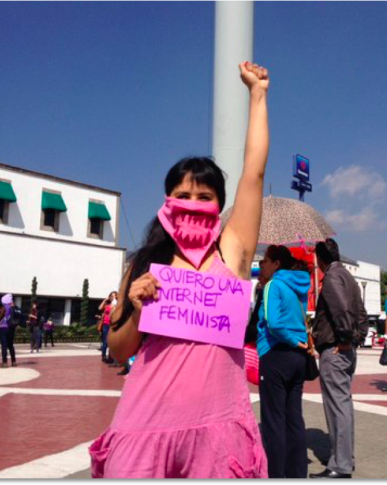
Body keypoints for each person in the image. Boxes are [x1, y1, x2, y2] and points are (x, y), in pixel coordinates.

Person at [90, 61, 271, 479]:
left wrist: (258, 95)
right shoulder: (142, 263)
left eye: (204, 196)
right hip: (144, 425)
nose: (192, 203)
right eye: (182, 194)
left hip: (218, 429)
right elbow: (119, 350)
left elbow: (254, 173)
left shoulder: (232, 252)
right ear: (167, 199)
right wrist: (135, 308)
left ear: (220, 204)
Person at [310, 239, 369, 480]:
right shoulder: (348, 277)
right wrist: (357, 337)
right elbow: (361, 313)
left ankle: (341, 466)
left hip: (335, 349)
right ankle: (343, 458)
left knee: (337, 407)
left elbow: (342, 310)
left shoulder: (332, 277)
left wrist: (345, 339)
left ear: (319, 259)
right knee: (343, 405)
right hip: (345, 349)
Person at [257, 246, 311, 479]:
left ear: (276, 264)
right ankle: (297, 473)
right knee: (294, 419)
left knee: (273, 422)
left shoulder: (274, 285)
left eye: (265, 261)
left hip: (275, 354)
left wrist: (289, 339)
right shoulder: (299, 287)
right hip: (298, 357)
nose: (263, 265)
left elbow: (274, 323)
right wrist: (297, 342)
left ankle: (276, 473)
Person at [0, 294, 17, 369]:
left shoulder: (4, 307)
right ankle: (13, 361)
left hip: (3, 327)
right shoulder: (12, 307)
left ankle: (4, 362)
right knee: (10, 345)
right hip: (11, 327)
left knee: (4, 345)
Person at [99, 292, 118, 363]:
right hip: (106, 324)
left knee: (111, 342)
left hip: (113, 325)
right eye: (111, 296)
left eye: (114, 296)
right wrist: (104, 300)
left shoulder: (117, 304)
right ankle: (104, 355)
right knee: (105, 341)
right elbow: (100, 308)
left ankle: (110, 357)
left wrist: (115, 303)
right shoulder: (108, 305)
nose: (112, 297)